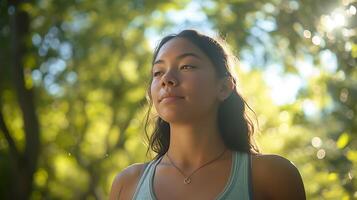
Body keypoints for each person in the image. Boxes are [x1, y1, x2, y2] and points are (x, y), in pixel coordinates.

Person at [109, 29, 306, 200]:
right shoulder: (127, 183)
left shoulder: (271, 176)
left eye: (187, 66)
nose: (167, 79)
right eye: (158, 72)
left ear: (223, 87)